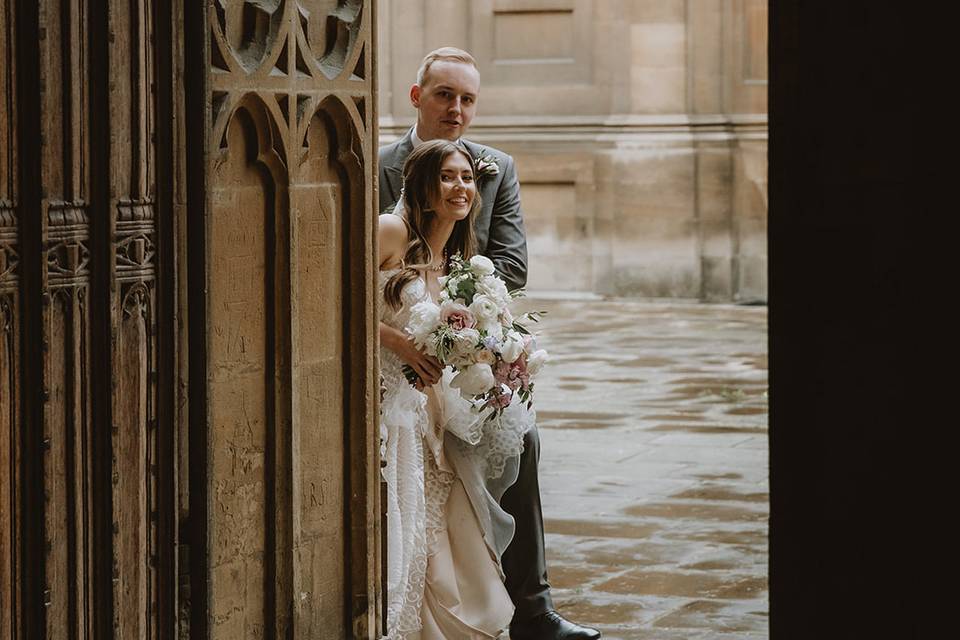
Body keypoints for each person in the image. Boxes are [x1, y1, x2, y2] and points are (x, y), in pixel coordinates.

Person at [379, 47, 601, 640]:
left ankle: (533, 608)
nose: (457, 109)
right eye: (444, 95)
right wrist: (421, 318)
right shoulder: (375, 164)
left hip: (459, 338)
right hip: (396, 342)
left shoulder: (496, 166)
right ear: (416, 97)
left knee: (519, 437)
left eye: (468, 99)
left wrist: (465, 317)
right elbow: (350, 279)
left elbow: (511, 264)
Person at [378, 139, 533, 638]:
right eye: (447, 176)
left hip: (425, 408)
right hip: (385, 403)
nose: (460, 187)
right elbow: (332, 298)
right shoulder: (390, 230)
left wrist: (495, 356)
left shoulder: (458, 258)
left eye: (467, 177)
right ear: (422, 184)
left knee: (444, 523)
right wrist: (401, 345)